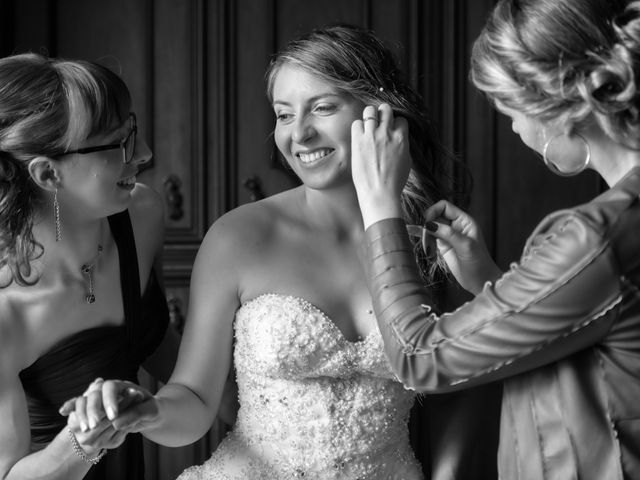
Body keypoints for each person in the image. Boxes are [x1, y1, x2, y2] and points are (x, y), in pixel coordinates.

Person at [58, 25, 497, 479]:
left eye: (323, 108)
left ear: (382, 116)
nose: (300, 135)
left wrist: (481, 275)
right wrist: (148, 411)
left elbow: (489, 371)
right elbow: (193, 399)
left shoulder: (434, 243)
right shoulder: (238, 237)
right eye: (284, 114)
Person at [350, 0, 640, 479]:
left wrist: (379, 206)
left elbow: (418, 358)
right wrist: (489, 277)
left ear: (559, 104)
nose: (515, 128)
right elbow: (594, 335)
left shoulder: (595, 237)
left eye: (511, 109)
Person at [0, 53, 179, 479]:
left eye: (132, 132)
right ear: (47, 174)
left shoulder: (143, 215)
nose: (146, 154)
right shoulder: (8, 315)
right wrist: (82, 439)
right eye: (121, 144)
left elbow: (154, 345)